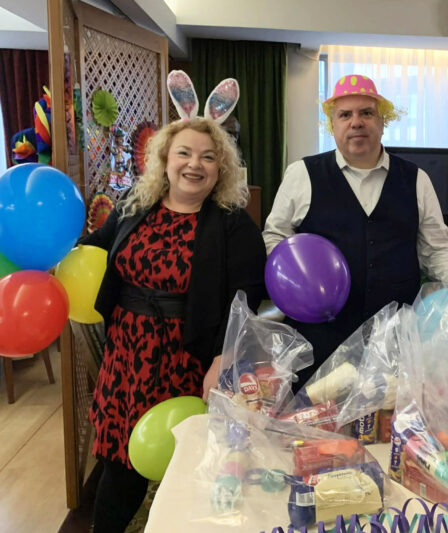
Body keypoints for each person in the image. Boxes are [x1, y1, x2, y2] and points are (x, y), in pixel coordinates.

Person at [80, 74, 267, 533]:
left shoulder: (232, 225)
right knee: (119, 463)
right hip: (126, 356)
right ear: (164, 159)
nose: (194, 164)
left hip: (187, 359)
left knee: (186, 468)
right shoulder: (133, 205)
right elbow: (95, 249)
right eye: (184, 153)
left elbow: (246, 300)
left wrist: (222, 358)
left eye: (208, 157)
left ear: (221, 169)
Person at [263, 74, 448, 382]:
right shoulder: (302, 174)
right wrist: (294, 281)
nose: (356, 122)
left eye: (366, 113)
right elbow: (275, 236)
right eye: (344, 115)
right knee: (317, 411)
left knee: (390, 413)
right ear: (332, 124)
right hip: (318, 342)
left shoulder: (416, 180)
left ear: (382, 121)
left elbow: (438, 250)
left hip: (395, 343)